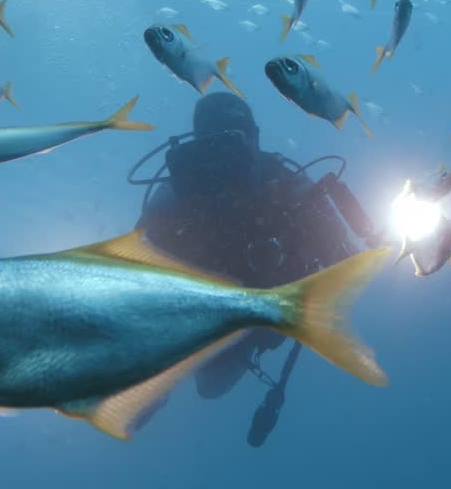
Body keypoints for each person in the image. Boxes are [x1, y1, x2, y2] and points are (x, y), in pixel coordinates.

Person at [128, 92, 378, 444]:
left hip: (198, 319)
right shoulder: (284, 181)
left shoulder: (180, 187)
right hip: (240, 323)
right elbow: (343, 261)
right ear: (255, 134)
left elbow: (134, 263)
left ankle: (155, 377)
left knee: (209, 384)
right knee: (211, 385)